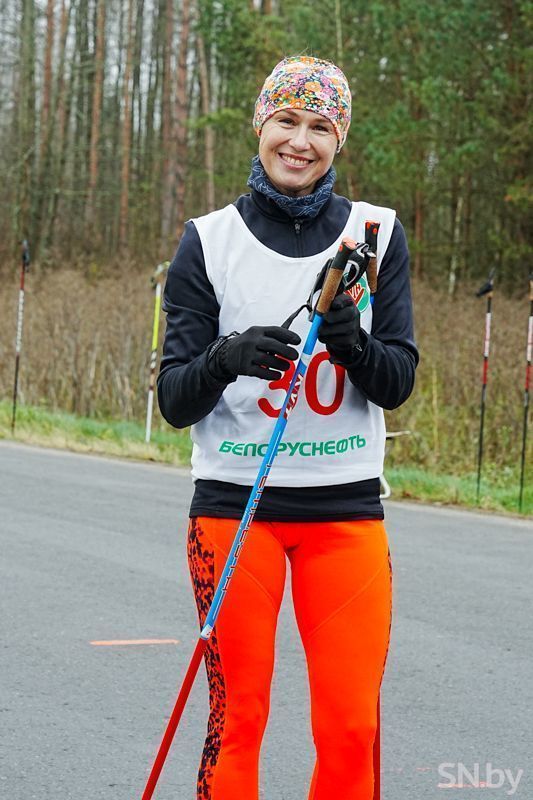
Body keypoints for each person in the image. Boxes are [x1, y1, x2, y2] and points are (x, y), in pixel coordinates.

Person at [158, 55, 418, 800]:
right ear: (260, 125)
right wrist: (224, 358)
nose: (300, 141)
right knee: (238, 719)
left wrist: (353, 345)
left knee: (350, 729)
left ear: (339, 140)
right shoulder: (207, 241)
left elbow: (397, 381)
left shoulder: (375, 233)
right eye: (286, 120)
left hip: (345, 512)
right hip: (234, 512)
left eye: (320, 127)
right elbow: (175, 398)